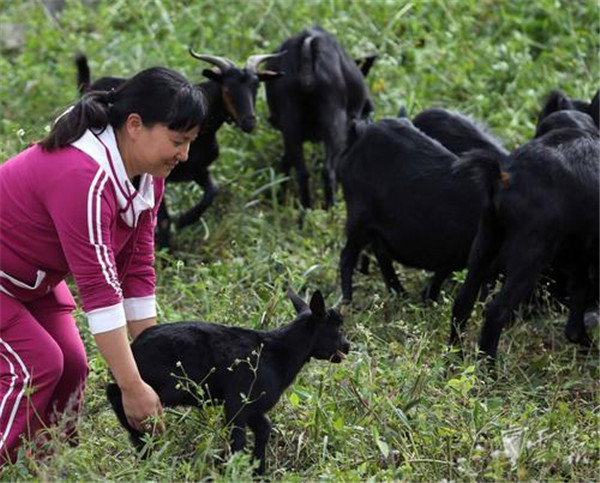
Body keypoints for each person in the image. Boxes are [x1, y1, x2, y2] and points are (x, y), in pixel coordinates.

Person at [0, 66, 206, 464]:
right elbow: (100, 289)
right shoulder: (83, 177)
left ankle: (48, 466)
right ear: (135, 125)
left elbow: (136, 268)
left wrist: (150, 367)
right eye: (178, 141)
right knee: (37, 366)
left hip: (30, 281)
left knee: (73, 366)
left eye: (190, 143)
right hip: (10, 279)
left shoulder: (147, 175)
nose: (184, 155)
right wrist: (131, 387)